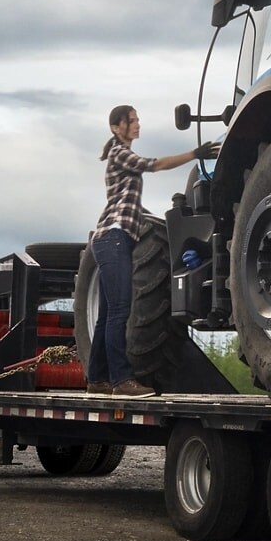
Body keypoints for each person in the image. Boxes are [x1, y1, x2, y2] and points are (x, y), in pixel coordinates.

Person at [87, 105, 215, 398]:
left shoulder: (119, 156)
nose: (137, 125)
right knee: (120, 310)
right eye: (132, 121)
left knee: (107, 314)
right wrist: (194, 155)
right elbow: (155, 165)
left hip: (115, 238)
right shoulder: (120, 153)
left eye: (137, 120)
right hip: (113, 237)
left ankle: (96, 380)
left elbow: (127, 202)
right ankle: (121, 380)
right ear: (116, 127)